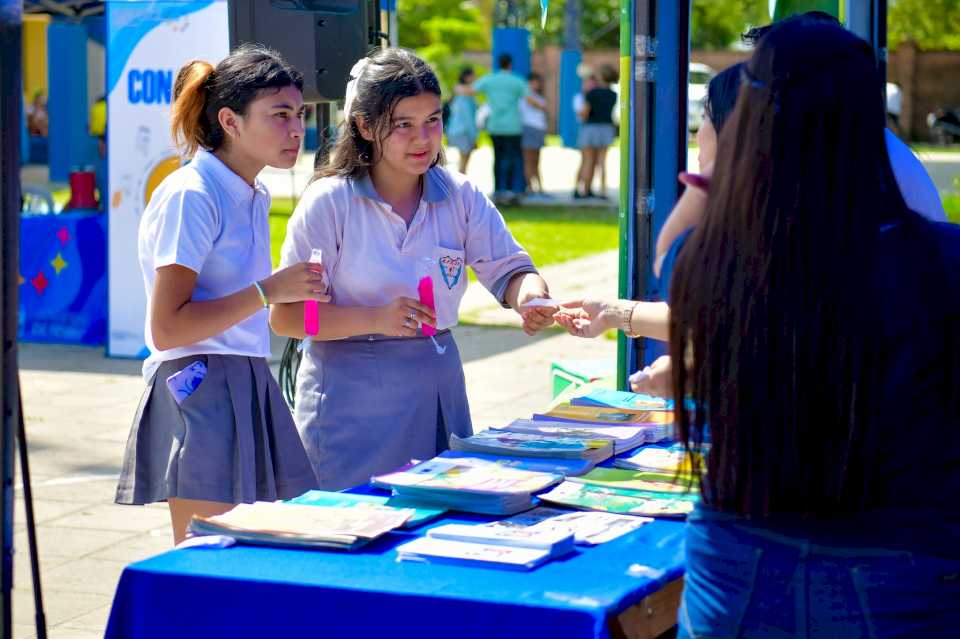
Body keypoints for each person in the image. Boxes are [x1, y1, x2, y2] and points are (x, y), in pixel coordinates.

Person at [671, 20, 960, 637]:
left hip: (737, 567)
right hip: (900, 568)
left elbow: (669, 255)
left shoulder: (716, 260)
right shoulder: (939, 261)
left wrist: (715, 167)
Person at [270, 48, 556, 491]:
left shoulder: (460, 195)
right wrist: (374, 318)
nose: (423, 138)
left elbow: (511, 268)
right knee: (353, 535)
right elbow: (290, 317)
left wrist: (530, 296)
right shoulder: (331, 203)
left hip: (439, 392)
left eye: (433, 121)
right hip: (350, 405)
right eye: (403, 124)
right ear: (364, 126)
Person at [114, 45, 325, 545]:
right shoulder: (193, 193)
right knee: (206, 560)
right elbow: (167, 327)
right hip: (199, 385)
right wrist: (268, 291)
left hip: (246, 377)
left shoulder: (250, 190)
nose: (296, 129)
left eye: (300, 114)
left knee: (251, 563)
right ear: (229, 120)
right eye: (279, 115)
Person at [474, 53, 528, 203]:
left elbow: (472, 90)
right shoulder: (517, 80)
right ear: (510, 64)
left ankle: (499, 190)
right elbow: (529, 98)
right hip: (513, 126)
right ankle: (514, 190)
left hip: (495, 126)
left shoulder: (490, 79)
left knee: (498, 158)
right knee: (514, 158)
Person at [575, 65, 617, 200]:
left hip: (590, 128)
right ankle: (603, 191)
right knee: (602, 161)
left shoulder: (592, 93)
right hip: (606, 128)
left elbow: (584, 113)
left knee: (587, 160)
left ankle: (584, 190)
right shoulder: (613, 94)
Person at [519, 72, 548, 197]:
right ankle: (530, 187)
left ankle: (539, 187)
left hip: (538, 130)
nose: (535, 85)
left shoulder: (538, 96)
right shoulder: (524, 96)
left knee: (536, 160)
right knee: (528, 159)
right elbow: (540, 107)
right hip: (529, 129)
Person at [446, 66, 479, 175]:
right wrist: (474, 136)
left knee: (463, 162)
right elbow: (467, 118)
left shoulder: (459, 94)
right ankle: (460, 188)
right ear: (467, 77)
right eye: (473, 75)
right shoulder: (465, 96)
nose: (475, 78)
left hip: (457, 130)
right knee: (463, 164)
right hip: (464, 131)